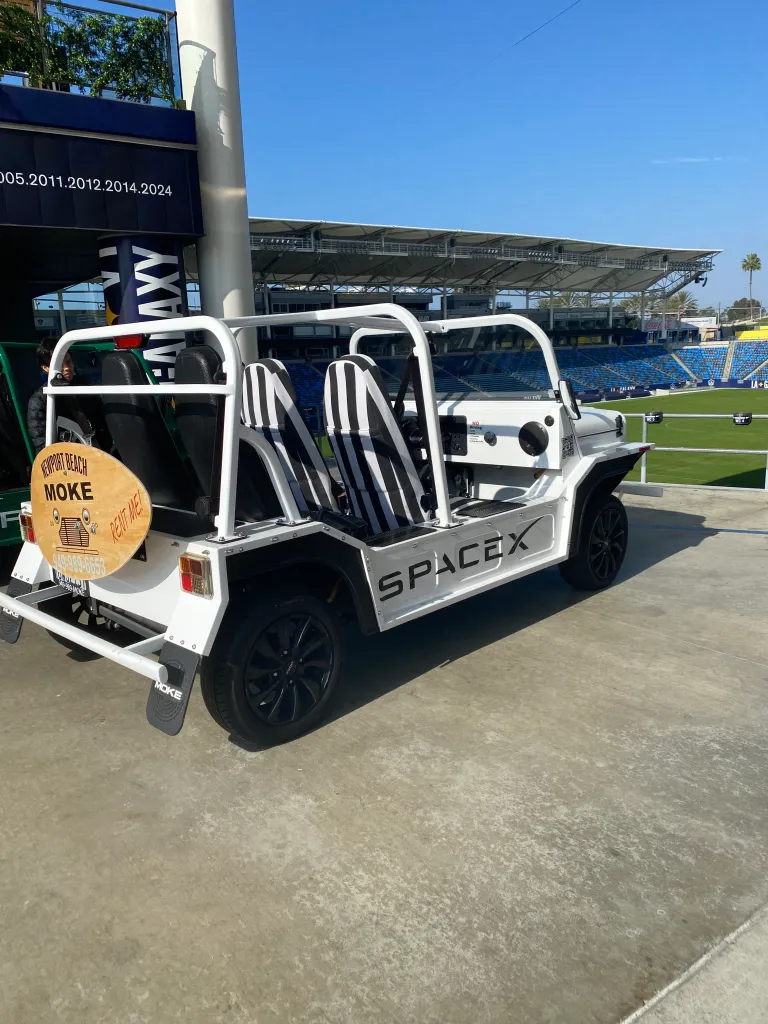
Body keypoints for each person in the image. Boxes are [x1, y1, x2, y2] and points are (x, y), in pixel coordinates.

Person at [27, 336, 96, 454]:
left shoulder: (84, 386)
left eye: (68, 361)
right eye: (60, 365)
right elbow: (43, 448)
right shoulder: (39, 401)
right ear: (46, 368)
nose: (67, 368)